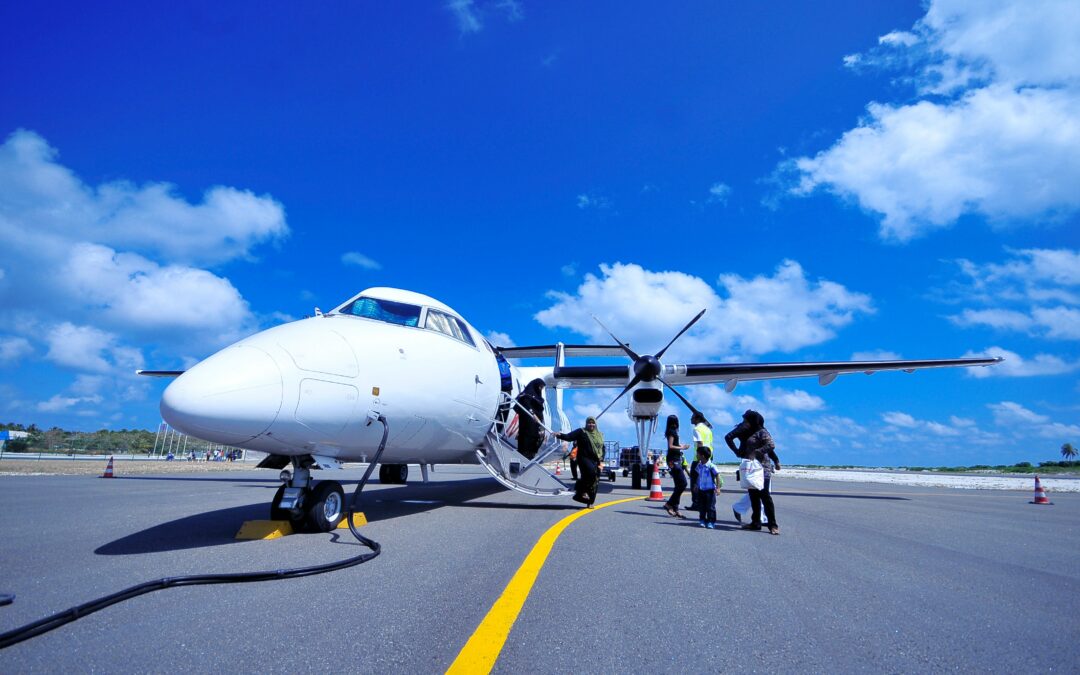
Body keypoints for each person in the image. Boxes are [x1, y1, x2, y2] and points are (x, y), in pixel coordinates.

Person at [727, 410, 780, 535]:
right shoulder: (748, 432)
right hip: (751, 469)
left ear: (752, 421)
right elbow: (729, 437)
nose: (744, 422)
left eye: (746, 420)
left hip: (762, 469)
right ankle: (755, 523)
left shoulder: (762, 432)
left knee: (765, 497)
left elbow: (771, 445)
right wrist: (737, 451)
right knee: (753, 496)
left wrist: (756, 452)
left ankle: (773, 525)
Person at [555, 417, 604, 507]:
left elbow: (602, 448)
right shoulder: (581, 432)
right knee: (591, 473)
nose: (591, 425)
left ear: (596, 424)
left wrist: (601, 460)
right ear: (586, 424)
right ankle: (580, 490)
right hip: (584, 458)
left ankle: (589, 501)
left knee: (594, 481)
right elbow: (569, 437)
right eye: (589, 423)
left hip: (596, 460)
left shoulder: (599, 435)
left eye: (593, 423)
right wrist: (559, 435)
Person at [663, 415, 690, 518]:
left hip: (675, 459)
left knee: (678, 485)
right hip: (673, 460)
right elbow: (670, 446)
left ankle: (675, 508)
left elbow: (674, 444)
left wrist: (681, 446)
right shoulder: (671, 432)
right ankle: (669, 504)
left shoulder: (673, 431)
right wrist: (682, 447)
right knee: (683, 483)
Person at [515, 379, 546, 459]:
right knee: (525, 446)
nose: (540, 390)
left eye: (542, 388)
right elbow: (525, 406)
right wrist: (533, 414)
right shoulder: (526, 395)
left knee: (533, 445)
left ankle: (529, 459)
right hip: (527, 427)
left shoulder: (537, 397)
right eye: (540, 387)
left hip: (535, 428)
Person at [688, 412, 713, 512]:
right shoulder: (708, 429)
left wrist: (699, 459)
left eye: (692, 417)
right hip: (708, 458)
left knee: (695, 482)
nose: (691, 419)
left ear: (697, 419)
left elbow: (700, 443)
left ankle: (696, 503)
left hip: (699, 459)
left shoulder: (697, 429)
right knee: (705, 483)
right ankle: (704, 503)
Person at [694, 447, 720, 528]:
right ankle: (702, 520)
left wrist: (718, 488)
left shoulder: (711, 466)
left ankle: (711, 521)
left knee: (710, 507)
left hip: (710, 490)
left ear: (703, 456)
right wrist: (696, 485)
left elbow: (717, 476)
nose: (696, 455)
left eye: (697, 454)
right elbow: (699, 476)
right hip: (701, 489)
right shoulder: (699, 465)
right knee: (701, 506)